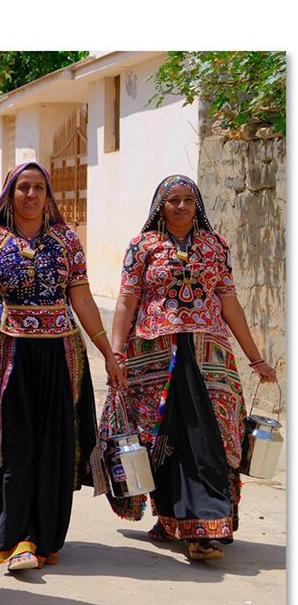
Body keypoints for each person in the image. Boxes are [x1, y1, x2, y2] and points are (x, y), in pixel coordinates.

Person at [100, 174, 277, 561]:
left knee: (210, 435)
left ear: (198, 205)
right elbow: (127, 301)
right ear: (159, 207)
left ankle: (205, 528)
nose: (181, 206)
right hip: (152, 355)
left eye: (188, 200)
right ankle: (170, 519)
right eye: (173, 200)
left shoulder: (215, 247)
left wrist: (255, 358)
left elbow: (230, 304)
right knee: (162, 438)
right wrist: (115, 355)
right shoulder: (142, 246)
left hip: (209, 354)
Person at [0, 161, 118, 571]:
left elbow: (84, 300)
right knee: (16, 447)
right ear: (10, 194)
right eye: (23, 187)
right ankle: (18, 538)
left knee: (56, 447)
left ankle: (47, 539)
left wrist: (108, 352)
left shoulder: (67, 241)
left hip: (60, 354)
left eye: (39, 187)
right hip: (10, 354)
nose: (31, 195)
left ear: (48, 195)